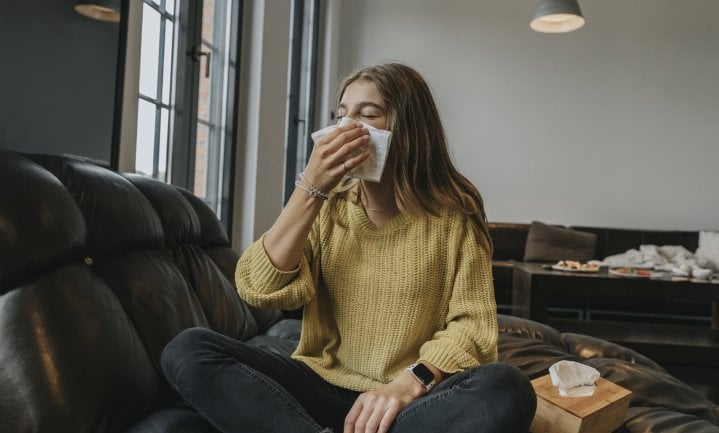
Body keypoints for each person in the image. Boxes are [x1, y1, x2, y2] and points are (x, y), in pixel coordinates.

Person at [161, 62, 536, 433]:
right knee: (188, 349)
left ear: (407, 129)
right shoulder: (329, 205)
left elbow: (472, 325)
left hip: (407, 404)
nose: (346, 127)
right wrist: (311, 186)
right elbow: (258, 287)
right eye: (341, 115)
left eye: (367, 114)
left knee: (505, 387)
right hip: (318, 387)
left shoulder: (454, 212)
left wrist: (410, 383)